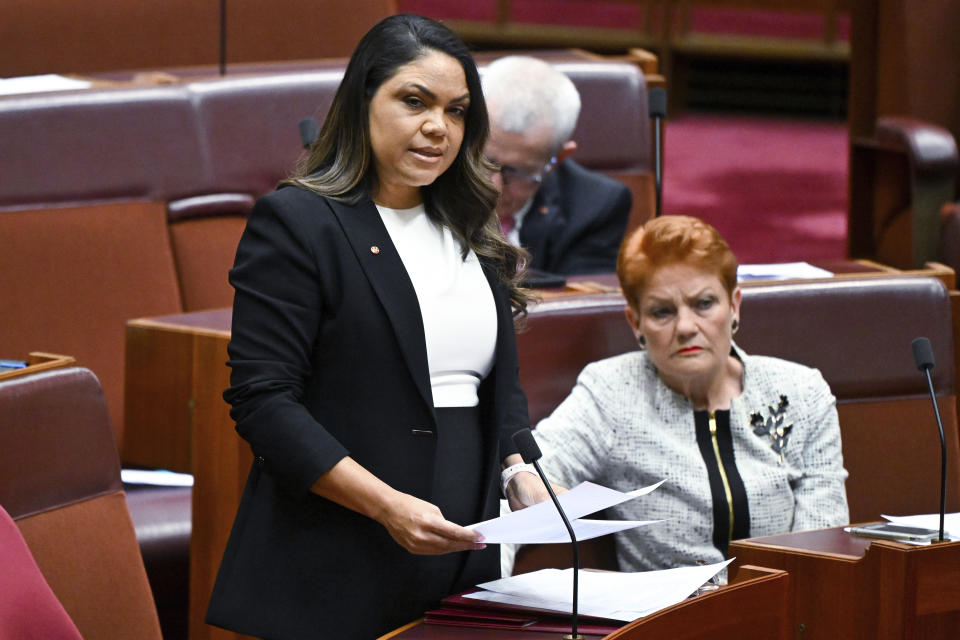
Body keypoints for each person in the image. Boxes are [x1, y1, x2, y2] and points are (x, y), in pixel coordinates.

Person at [205, 14, 532, 640]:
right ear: (363, 102)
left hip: (459, 560)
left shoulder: (470, 229)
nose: (438, 127)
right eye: (415, 102)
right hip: (335, 562)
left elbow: (499, 388)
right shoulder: (300, 222)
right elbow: (264, 403)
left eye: (458, 111)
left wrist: (522, 472)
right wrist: (387, 507)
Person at [502, 215, 849, 575]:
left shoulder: (802, 393)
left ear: (735, 306)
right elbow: (528, 480)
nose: (685, 327)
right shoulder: (613, 393)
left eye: (703, 304)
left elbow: (821, 550)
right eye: (662, 312)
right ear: (635, 322)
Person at [482, 55, 632, 276]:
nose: (494, 187)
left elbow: (578, 302)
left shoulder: (596, 207)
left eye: (516, 172)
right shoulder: (428, 177)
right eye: (483, 160)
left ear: (557, 159)